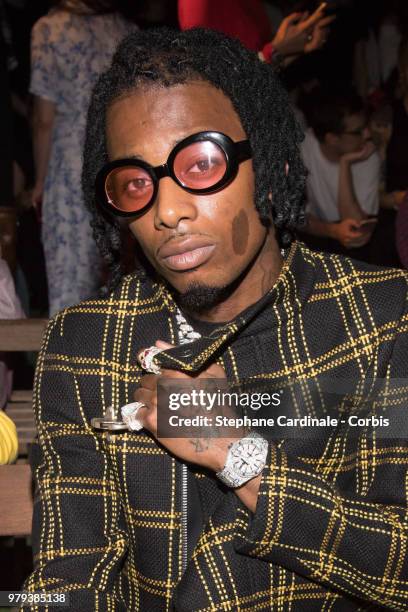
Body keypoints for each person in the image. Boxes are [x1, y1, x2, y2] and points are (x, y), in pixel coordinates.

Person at [23, 28, 408, 610]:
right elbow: (65, 581)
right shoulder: (87, 342)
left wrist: (240, 456)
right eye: (135, 183)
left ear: (274, 161)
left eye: (202, 164)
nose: (167, 211)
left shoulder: (379, 317)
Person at [30, 0, 136, 316]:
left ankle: (67, 360)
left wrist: (39, 182)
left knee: (68, 285)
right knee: (117, 281)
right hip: (117, 164)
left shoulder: (50, 29)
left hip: (69, 165)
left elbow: (43, 119)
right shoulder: (125, 30)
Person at [300, 90, 381, 259]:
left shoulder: (368, 157)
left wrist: (345, 164)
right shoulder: (303, 146)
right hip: (317, 237)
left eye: (366, 125)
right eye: (358, 131)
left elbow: (356, 231)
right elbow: (292, 216)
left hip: (357, 248)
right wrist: (333, 231)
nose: (367, 134)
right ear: (332, 139)